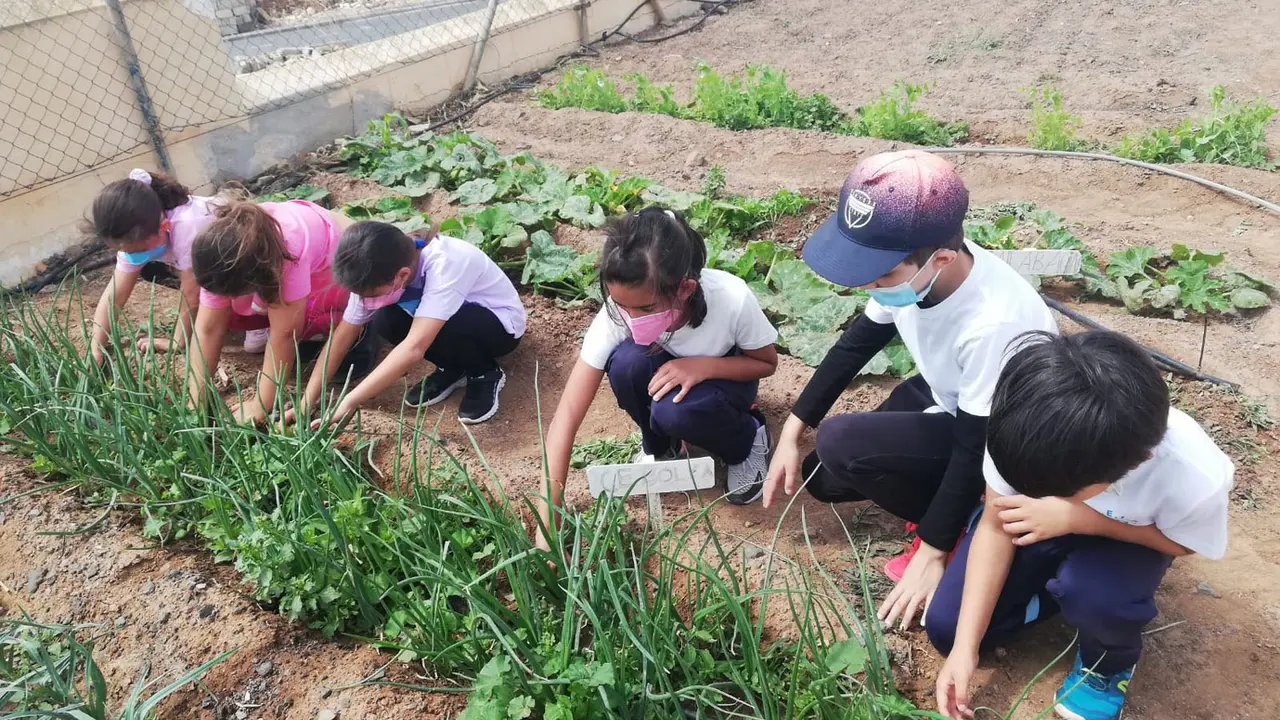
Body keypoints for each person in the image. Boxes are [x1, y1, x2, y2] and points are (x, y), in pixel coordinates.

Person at [762, 150, 1057, 631]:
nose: (870, 287)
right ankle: (945, 512)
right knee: (824, 475)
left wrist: (936, 548)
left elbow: (975, 446)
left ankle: (963, 528)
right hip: (954, 397)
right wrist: (794, 428)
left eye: (880, 276)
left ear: (941, 258)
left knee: (843, 444)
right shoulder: (918, 274)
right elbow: (858, 343)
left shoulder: (992, 323)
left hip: (1007, 438)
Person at [930, 330, 1233, 720]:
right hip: (1045, 518)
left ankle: (1107, 666)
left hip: (1135, 536)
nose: (1048, 494)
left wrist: (1080, 518)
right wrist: (964, 649)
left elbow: (1183, 543)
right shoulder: (1025, 422)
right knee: (948, 629)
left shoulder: (1194, 477)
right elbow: (996, 523)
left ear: (1138, 463)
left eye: (1064, 491)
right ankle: (1050, 593)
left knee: (1095, 594)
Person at [535, 207, 779, 550]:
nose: (631, 318)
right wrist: (548, 528)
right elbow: (567, 417)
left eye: (646, 309)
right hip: (666, 375)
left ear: (685, 288)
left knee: (675, 412)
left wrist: (702, 366)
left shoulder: (732, 298)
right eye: (622, 306)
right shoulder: (617, 313)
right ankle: (665, 449)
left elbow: (766, 363)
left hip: (728, 377)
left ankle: (745, 441)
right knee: (626, 365)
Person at [291, 220, 526, 427]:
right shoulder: (371, 267)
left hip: (498, 327)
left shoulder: (446, 263)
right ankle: (452, 368)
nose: (364, 300)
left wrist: (350, 401)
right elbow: (342, 336)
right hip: (444, 321)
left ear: (403, 275)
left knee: (449, 324)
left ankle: (483, 372)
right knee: (386, 321)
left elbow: (414, 347)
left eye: (370, 294)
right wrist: (306, 400)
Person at [186, 198, 369, 424]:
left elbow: (284, 335)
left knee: (309, 321)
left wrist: (260, 405)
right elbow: (208, 328)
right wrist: (196, 399)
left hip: (344, 261)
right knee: (224, 316)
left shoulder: (287, 254)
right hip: (295, 262)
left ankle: (363, 339)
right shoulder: (217, 253)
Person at [87, 169, 224, 364]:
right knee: (149, 269)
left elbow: (191, 294)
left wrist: (177, 341)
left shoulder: (189, 226)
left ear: (163, 227)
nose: (132, 255)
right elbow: (114, 296)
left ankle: (258, 321)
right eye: (126, 251)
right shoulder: (132, 234)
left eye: (138, 250)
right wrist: (96, 347)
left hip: (249, 265)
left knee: (215, 310)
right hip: (210, 264)